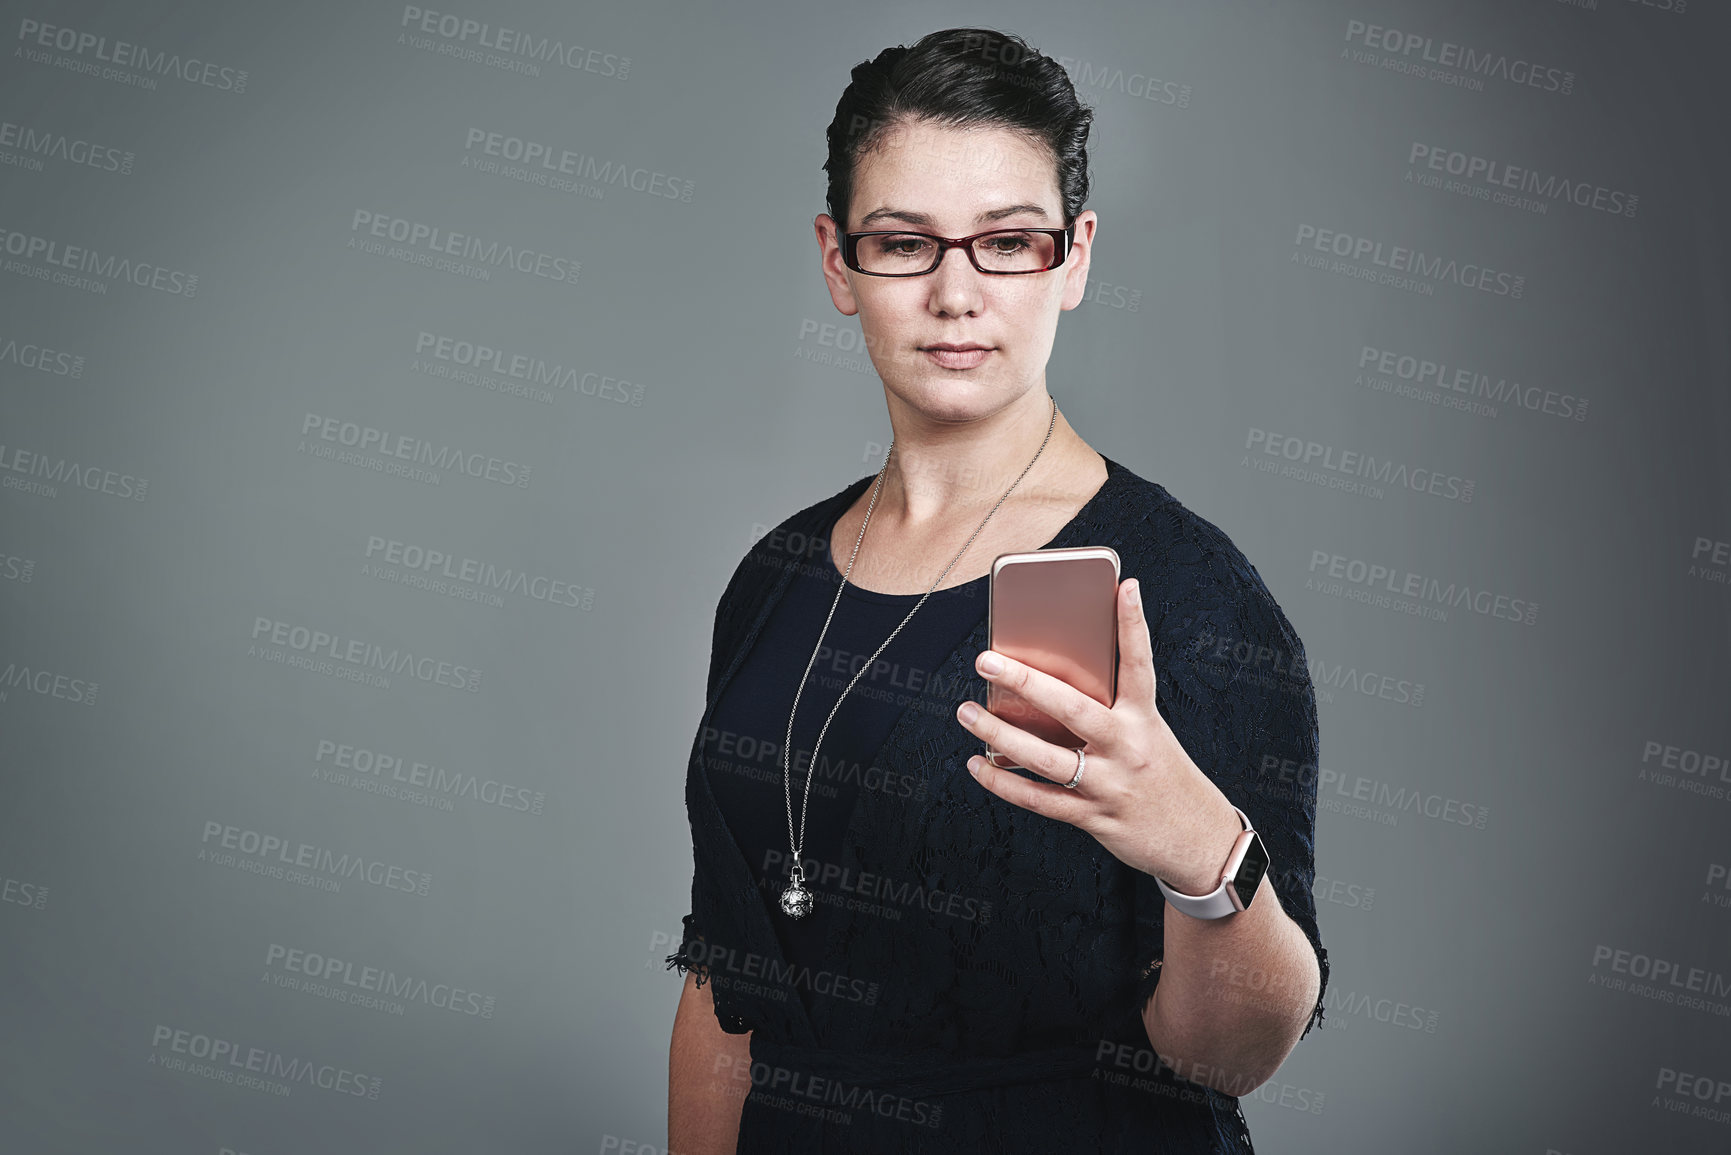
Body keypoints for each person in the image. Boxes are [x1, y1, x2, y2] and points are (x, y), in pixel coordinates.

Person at [668, 27, 1327, 1154]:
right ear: (838, 262)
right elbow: (728, 990)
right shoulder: (775, 577)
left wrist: (1201, 854)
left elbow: (1233, 1060)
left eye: (1008, 243)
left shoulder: (1181, 591)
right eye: (904, 242)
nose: (955, 293)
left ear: (1073, 259)